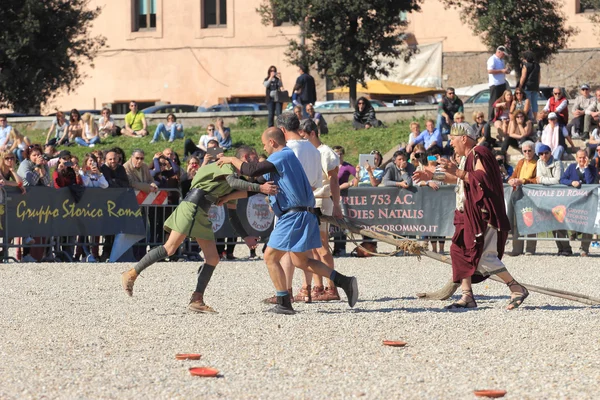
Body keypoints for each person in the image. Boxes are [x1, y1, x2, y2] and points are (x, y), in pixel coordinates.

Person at [216, 127, 359, 314]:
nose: (264, 149)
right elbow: (257, 185)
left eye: (264, 145)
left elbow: (251, 170)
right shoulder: (283, 160)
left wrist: (230, 159)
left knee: (270, 256)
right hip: (302, 214)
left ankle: (284, 302)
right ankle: (344, 281)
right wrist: (228, 197)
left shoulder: (282, 155)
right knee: (301, 261)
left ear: (272, 142)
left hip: (294, 215)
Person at [120, 149, 278, 313]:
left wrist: (245, 236)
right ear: (244, 158)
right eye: (254, 159)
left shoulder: (234, 180)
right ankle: (131, 274)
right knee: (170, 248)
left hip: (199, 211)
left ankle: (197, 300)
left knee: (212, 258)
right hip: (192, 207)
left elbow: (233, 213)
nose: (256, 165)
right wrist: (261, 188)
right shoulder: (227, 165)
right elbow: (235, 184)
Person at [413, 122, 529, 310]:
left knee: (483, 256)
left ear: (464, 138)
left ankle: (516, 287)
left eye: (452, 139)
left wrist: (456, 171)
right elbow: (458, 178)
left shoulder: (479, 153)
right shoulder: (467, 156)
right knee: (458, 251)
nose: (450, 143)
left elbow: (482, 178)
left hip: (483, 213)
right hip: (467, 213)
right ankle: (467, 296)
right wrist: (432, 177)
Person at [298, 118, 344, 301]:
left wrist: (336, 205)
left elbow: (334, 181)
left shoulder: (326, 153)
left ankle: (331, 287)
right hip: (309, 201)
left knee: (322, 245)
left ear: (312, 133)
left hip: (321, 200)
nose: (301, 140)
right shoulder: (308, 152)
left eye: (304, 136)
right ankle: (318, 286)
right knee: (311, 247)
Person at [559, 150, 596, 257]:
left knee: (588, 223)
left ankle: (584, 249)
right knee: (560, 219)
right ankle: (566, 247)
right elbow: (562, 180)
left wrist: (587, 168)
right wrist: (571, 182)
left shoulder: (592, 169)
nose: (582, 160)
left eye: (584, 157)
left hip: (588, 202)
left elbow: (590, 183)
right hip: (572, 202)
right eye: (579, 158)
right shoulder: (571, 168)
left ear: (587, 158)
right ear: (576, 158)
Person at [534, 144, 569, 256]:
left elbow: (558, 180)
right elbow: (538, 178)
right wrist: (545, 180)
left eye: (546, 153)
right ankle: (560, 248)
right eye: (541, 153)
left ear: (550, 153)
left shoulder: (558, 163)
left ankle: (567, 248)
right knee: (552, 224)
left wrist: (543, 180)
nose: (543, 155)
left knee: (559, 223)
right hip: (547, 196)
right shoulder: (539, 162)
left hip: (558, 196)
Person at [506, 141, 537, 256]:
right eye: (525, 151)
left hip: (532, 195)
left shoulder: (538, 162)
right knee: (517, 222)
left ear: (534, 151)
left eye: (529, 150)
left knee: (531, 220)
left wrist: (523, 181)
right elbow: (514, 175)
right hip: (519, 194)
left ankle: (530, 248)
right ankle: (517, 249)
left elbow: (537, 179)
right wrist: (511, 180)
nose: (527, 153)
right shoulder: (520, 162)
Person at [332, 145, 355, 257]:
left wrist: (349, 184)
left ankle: (340, 248)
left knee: (341, 221)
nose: (339, 156)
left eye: (340, 154)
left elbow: (357, 176)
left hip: (341, 196)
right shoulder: (330, 165)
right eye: (336, 153)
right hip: (330, 195)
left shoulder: (347, 166)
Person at [487, 46, 510, 120]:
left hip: (502, 83)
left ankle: (499, 116)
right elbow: (490, 71)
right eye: (503, 54)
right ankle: (491, 118)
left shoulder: (502, 60)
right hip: (495, 84)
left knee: (501, 101)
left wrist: (506, 71)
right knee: (493, 101)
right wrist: (501, 71)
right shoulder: (492, 59)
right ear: (498, 52)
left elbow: (502, 70)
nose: (503, 56)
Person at [518, 51, 541, 116]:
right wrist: (538, 86)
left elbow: (523, 76)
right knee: (534, 103)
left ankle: (527, 116)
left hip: (527, 86)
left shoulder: (526, 65)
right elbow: (539, 77)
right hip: (535, 86)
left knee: (527, 102)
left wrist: (520, 86)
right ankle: (535, 117)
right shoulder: (537, 65)